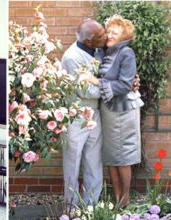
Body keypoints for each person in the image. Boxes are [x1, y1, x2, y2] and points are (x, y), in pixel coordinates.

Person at [94, 15, 144, 208]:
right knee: (111, 156)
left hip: (123, 112)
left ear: (124, 36)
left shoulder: (126, 53)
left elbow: (125, 85)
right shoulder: (102, 53)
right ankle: (117, 197)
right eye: (109, 31)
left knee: (123, 157)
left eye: (115, 32)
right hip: (107, 111)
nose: (110, 35)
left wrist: (98, 83)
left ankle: (125, 198)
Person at [61, 19, 106, 206]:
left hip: (94, 114)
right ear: (89, 41)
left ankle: (91, 207)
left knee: (94, 163)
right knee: (72, 163)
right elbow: (86, 91)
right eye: (101, 35)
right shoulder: (72, 57)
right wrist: (111, 88)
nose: (106, 36)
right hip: (76, 116)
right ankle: (71, 208)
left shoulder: (98, 50)